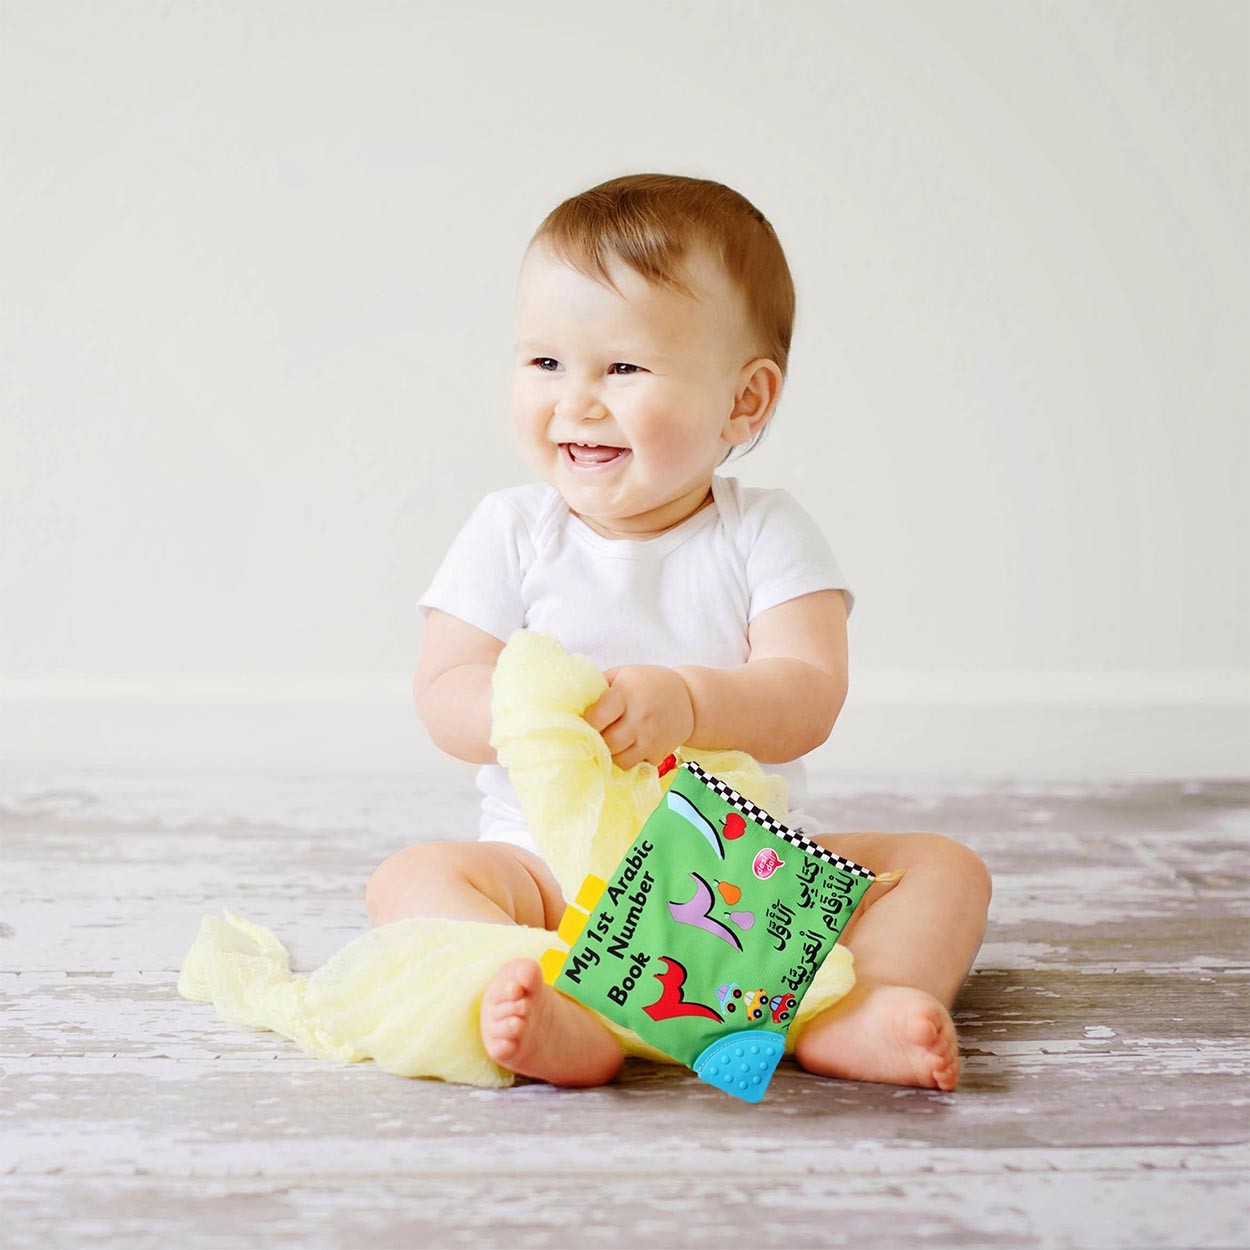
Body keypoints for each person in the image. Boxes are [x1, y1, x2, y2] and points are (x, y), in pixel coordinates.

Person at [365, 173, 992, 1092]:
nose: (577, 400)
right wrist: (536, 717)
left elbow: (808, 694)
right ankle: (560, 1001)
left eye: (622, 369)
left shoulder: (764, 532)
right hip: (549, 877)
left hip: (742, 882)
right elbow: (444, 687)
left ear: (745, 401)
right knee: (409, 878)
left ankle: (865, 1005)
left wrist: (692, 703)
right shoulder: (510, 530)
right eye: (545, 361)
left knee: (942, 868)